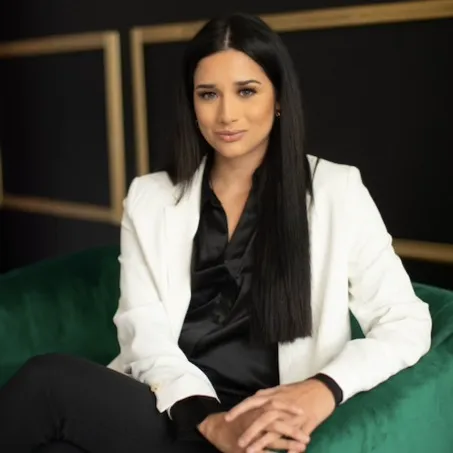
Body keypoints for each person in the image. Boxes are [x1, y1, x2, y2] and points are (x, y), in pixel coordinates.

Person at [0, 11, 431, 453]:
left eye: (246, 91)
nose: (226, 115)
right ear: (192, 103)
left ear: (278, 98)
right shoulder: (151, 197)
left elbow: (405, 321)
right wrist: (207, 419)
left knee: (46, 384)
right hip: (176, 408)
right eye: (208, 94)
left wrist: (324, 388)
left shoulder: (336, 190)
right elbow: (142, 328)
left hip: (262, 424)